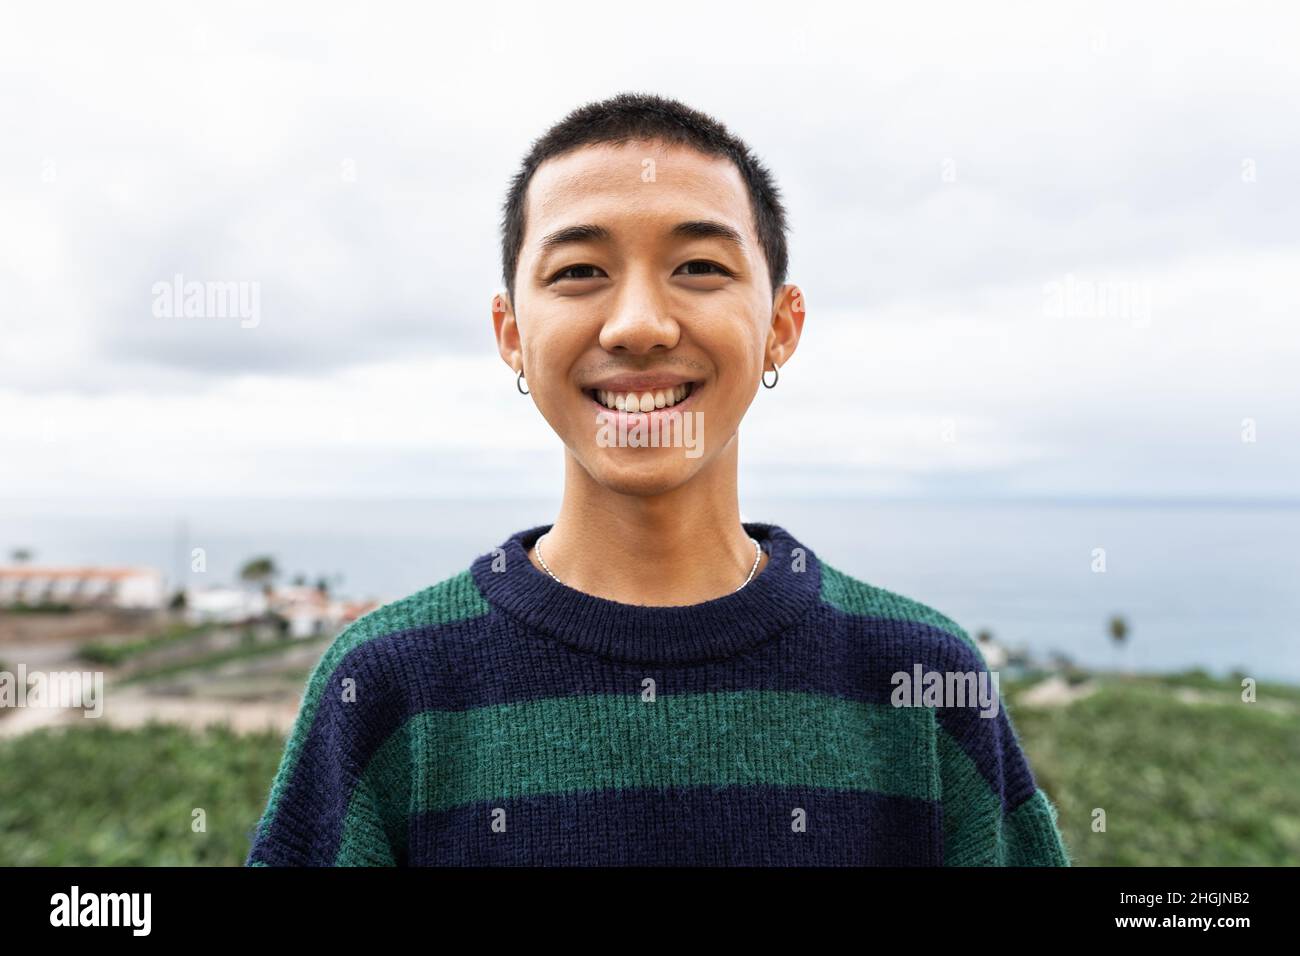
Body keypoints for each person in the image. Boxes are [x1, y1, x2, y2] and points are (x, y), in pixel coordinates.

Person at [246, 91, 1071, 866]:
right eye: (578, 273)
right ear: (511, 334)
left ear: (781, 326)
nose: (639, 324)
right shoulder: (390, 685)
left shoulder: (921, 683)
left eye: (700, 267)